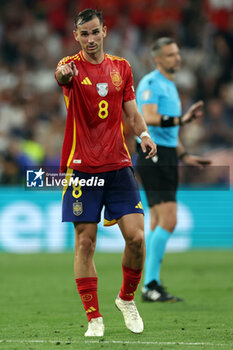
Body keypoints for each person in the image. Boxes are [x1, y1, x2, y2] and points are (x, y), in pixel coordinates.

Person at [55, 9, 156, 337]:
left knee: (138, 239)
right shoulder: (70, 68)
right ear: (76, 36)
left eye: (95, 32)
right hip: (82, 169)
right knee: (85, 241)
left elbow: (131, 111)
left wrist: (143, 135)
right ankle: (94, 317)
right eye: (84, 34)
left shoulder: (122, 68)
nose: (90, 39)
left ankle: (126, 299)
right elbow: (61, 76)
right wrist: (64, 75)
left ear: (105, 31)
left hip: (118, 165)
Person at [136, 37, 210, 302]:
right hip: (152, 154)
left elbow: (169, 132)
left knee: (158, 221)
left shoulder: (169, 86)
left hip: (165, 154)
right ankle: (150, 283)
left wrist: (185, 155)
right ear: (158, 59)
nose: (176, 58)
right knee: (169, 219)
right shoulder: (151, 83)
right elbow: (149, 118)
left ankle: (149, 285)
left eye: (177, 53)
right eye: (170, 55)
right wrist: (184, 118)